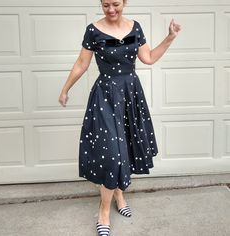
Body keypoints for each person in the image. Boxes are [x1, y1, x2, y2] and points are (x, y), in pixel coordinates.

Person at [59, 0, 181, 235]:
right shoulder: (93, 30)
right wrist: (65, 89)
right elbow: (81, 64)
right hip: (105, 95)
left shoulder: (135, 27)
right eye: (106, 5)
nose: (111, 9)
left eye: (116, 4)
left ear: (125, 2)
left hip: (130, 94)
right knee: (112, 152)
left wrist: (170, 37)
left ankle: (120, 196)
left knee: (124, 149)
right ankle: (104, 210)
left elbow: (149, 58)